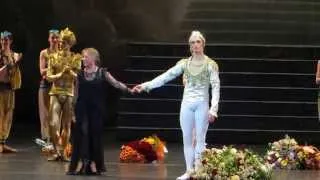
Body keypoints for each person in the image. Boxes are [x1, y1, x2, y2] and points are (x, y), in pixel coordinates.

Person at [133, 31, 220, 180]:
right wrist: (146, 85)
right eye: (192, 43)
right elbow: (166, 76)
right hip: (187, 104)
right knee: (186, 138)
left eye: (197, 42)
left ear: (203, 44)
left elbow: (216, 87)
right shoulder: (184, 64)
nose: (195, 45)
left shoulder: (210, 64)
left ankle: (198, 172)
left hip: (202, 104)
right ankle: (189, 171)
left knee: (199, 138)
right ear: (189, 46)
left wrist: (213, 109)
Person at [67, 48, 132, 175]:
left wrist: (129, 89)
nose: (83, 59)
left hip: (96, 110)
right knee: (83, 135)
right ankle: (82, 163)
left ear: (92, 58)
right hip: (82, 109)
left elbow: (116, 84)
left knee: (94, 136)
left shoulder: (102, 73)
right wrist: (72, 111)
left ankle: (93, 164)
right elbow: (75, 94)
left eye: (85, 57)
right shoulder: (80, 74)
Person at [46, 28, 82, 161]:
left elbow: (79, 77)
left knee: (66, 125)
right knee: (52, 123)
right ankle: (56, 150)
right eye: (60, 42)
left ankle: (63, 152)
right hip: (55, 92)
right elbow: (48, 77)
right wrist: (60, 74)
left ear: (70, 44)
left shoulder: (75, 58)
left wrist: (70, 72)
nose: (61, 44)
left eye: (64, 42)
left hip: (68, 93)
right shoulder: (53, 57)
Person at [0, 31, 22, 153]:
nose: (4, 42)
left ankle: (3, 143)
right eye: (2, 40)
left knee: (8, 116)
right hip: (0, 88)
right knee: (0, 115)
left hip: (9, 89)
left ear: (10, 41)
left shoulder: (14, 55)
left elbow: (15, 74)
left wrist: (15, 63)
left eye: (6, 40)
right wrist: (8, 65)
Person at [38, 29, 60, 146]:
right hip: (46, 86)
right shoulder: (44, 53)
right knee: (45, 114)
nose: (55, 40)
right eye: (52, 38)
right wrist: (53, 66)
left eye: (57, 38)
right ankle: (47, 140)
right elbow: (42, 71)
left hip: (58, 86)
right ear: (49, 39)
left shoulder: (62, 54)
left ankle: (56, 139)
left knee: (56, 114)